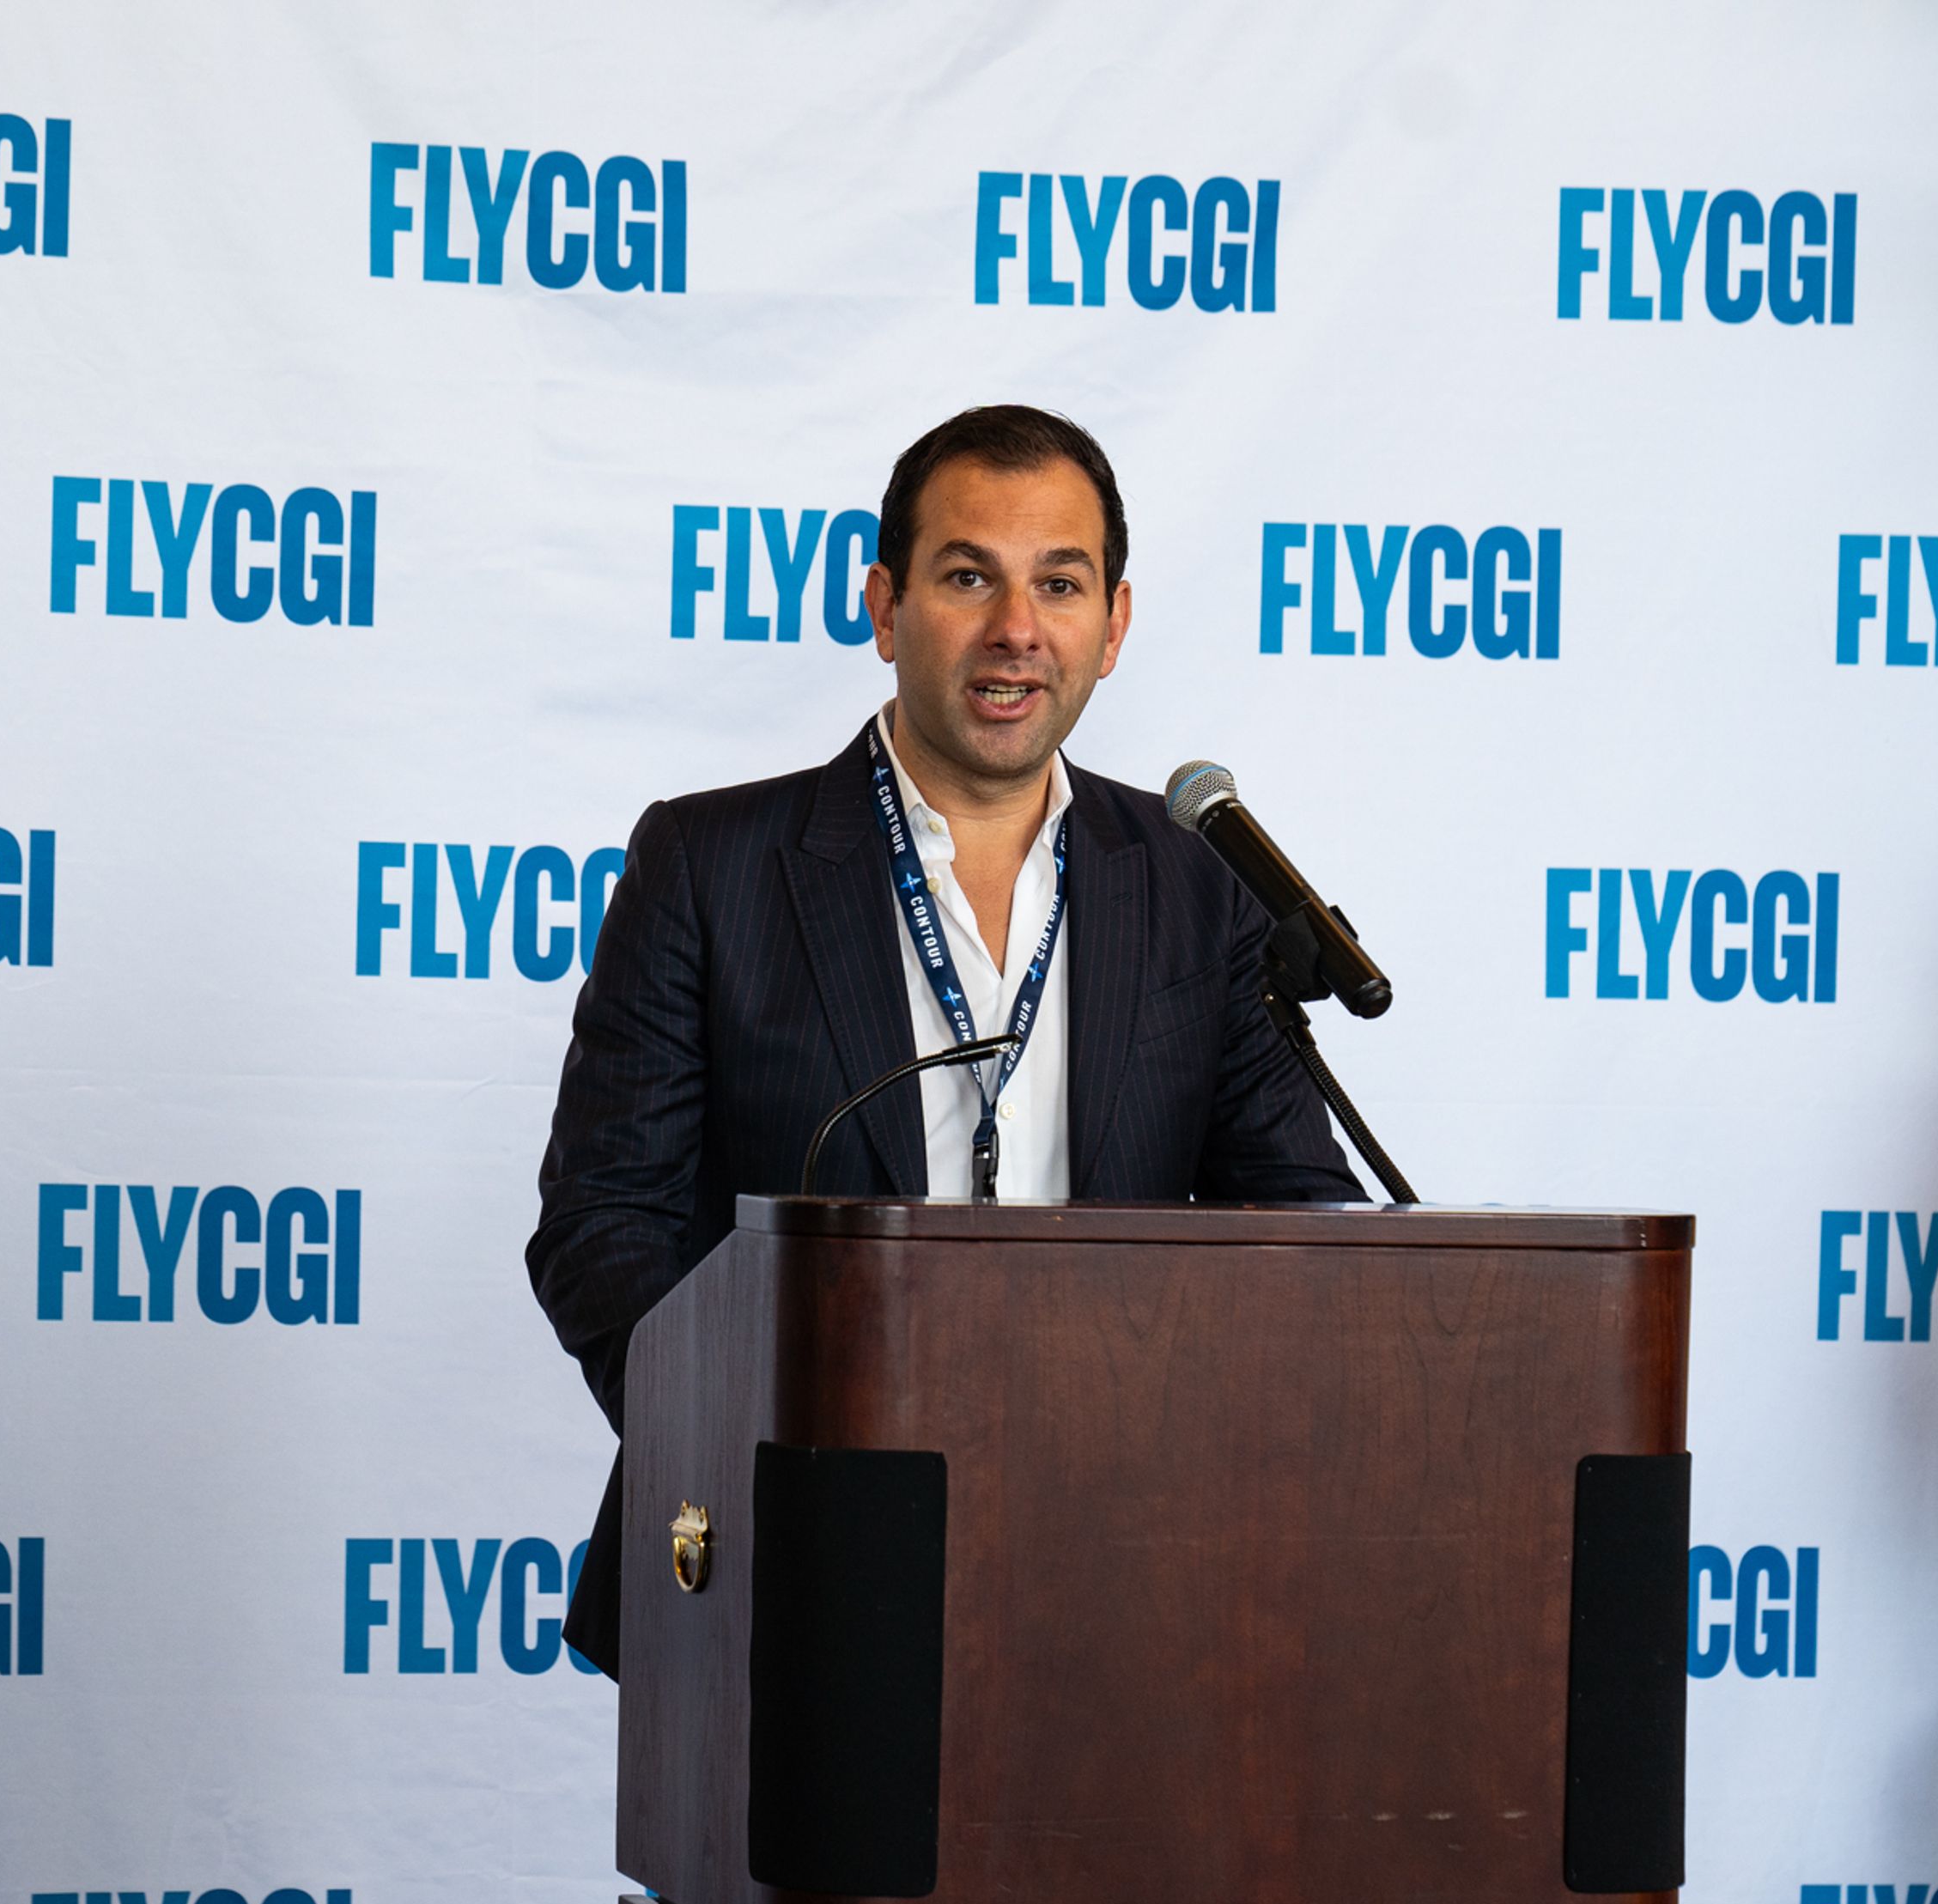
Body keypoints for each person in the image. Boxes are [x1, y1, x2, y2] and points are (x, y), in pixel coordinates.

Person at [526, 403, 1364, 1678]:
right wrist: (770, 1455)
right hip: (788, 1567)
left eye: (1060, 584)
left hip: (1126, 1570)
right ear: (885, 606)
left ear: (1114, 626)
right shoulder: (710, 867)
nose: (1016, 629)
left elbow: (1298, 1227)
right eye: (969, 576)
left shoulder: (1195, 891)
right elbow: (603, 1229)